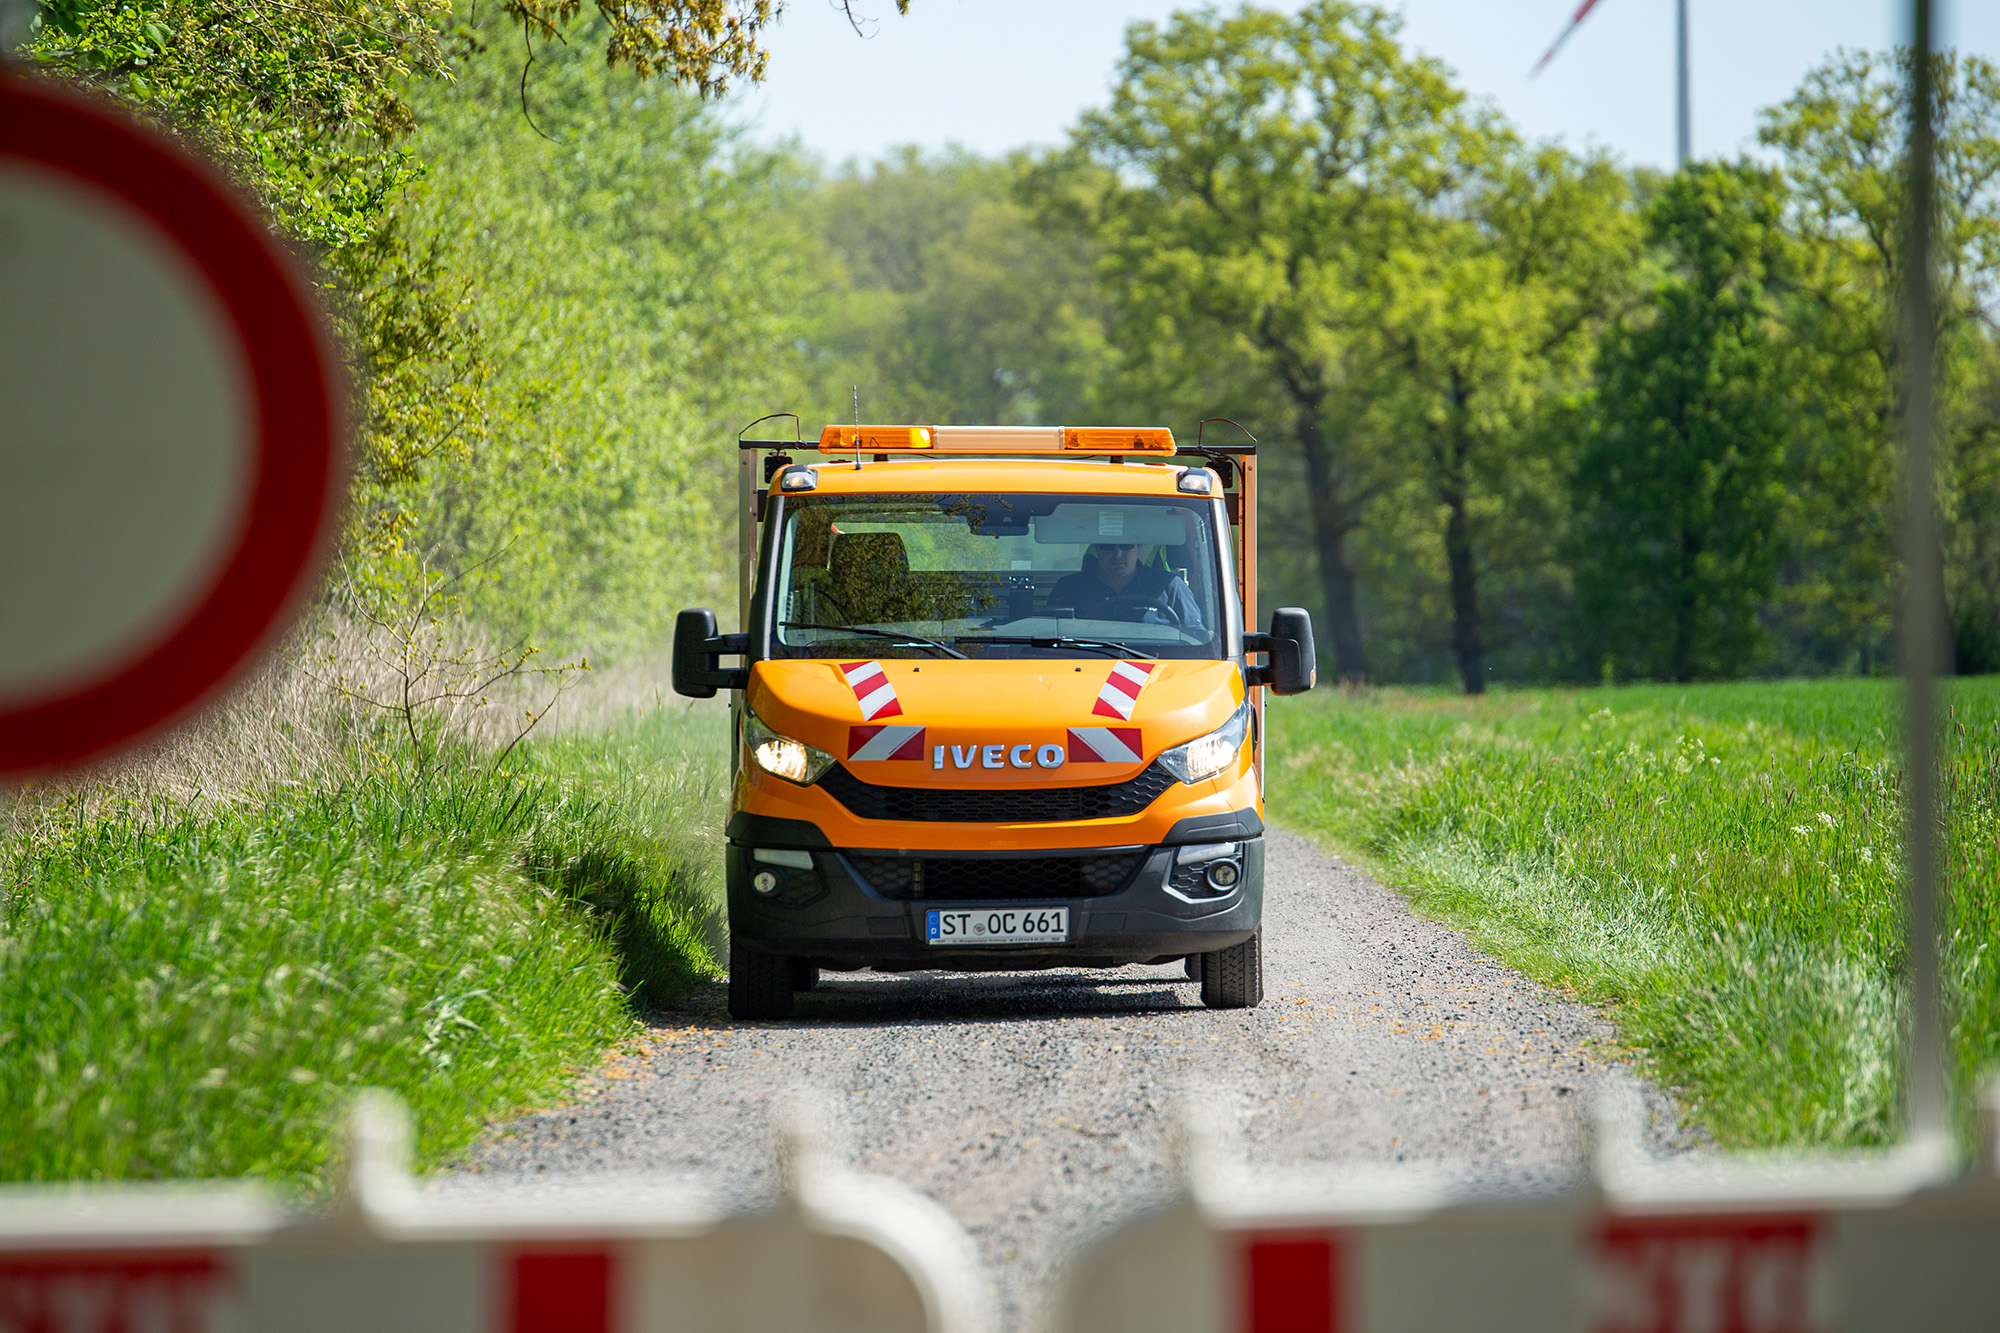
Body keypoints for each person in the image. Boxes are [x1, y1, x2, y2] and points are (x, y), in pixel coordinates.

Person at [1048, 543, 1203, 631]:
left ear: (1139, 547)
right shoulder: (1069, 588)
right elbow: (1047, 637)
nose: (1118, 554)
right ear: (1096, 549)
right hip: (1081, 671)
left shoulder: (1170, 586)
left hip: (1157, 673)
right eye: (1107, 546)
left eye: (1125, 545)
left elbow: (1196, 638)